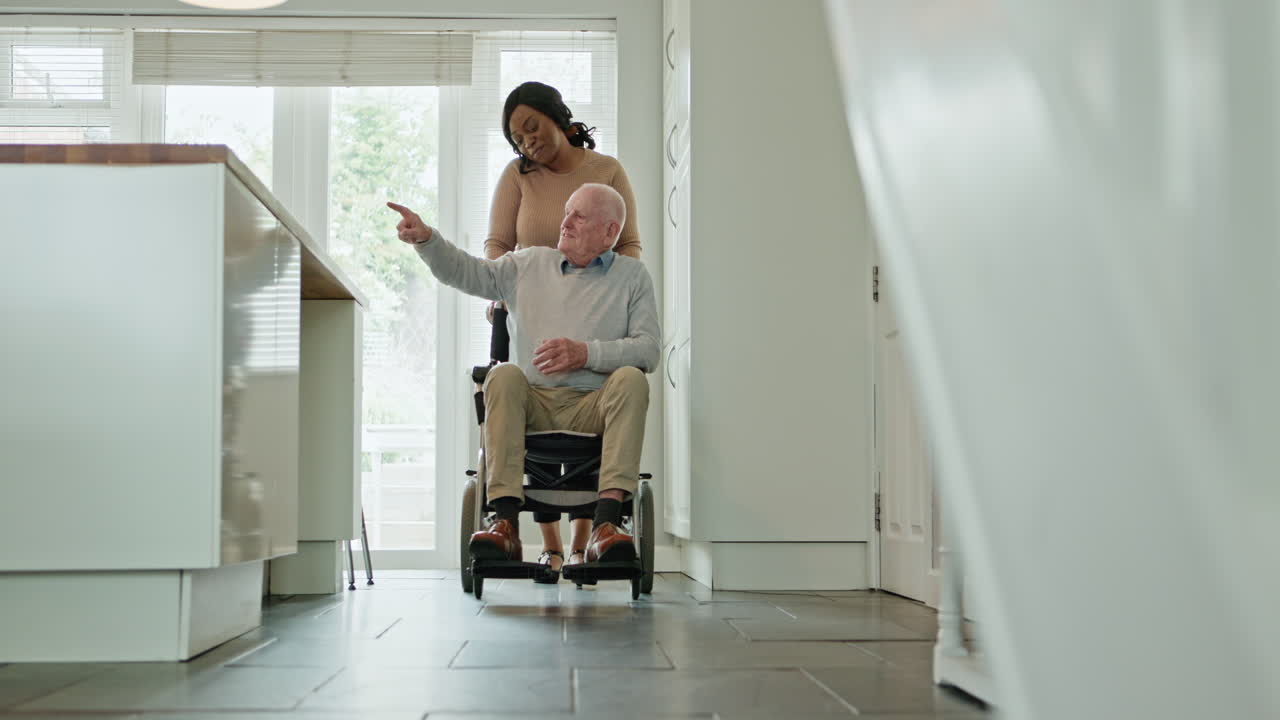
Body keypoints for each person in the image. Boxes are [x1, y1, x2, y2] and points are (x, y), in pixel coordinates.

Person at [387, 183, 659, 570]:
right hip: (533, 401)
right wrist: (428, 240)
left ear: (610, 232)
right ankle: (505, 525)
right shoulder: (527, 263)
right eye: (567, 211)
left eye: (579, 216)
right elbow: (468, 273)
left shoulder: (632, 276)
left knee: (633, 378)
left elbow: (648, 349)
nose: (564, 222)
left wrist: (586, 352)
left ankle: (606, 527)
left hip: (593, 406)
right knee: (502, 375)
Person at [485, 81, 643, 579]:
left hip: (593, 310)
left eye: (532, 126)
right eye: (517, 136)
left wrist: (610, 293)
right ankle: (543, 543)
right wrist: (507, 293)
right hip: (529, 313)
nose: (527, 141)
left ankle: (586, 540)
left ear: (558, 116)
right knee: (523, 398)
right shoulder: (517, 175)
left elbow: (631, 246)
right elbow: (496, 244)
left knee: (586, 408)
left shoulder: (607, 171)